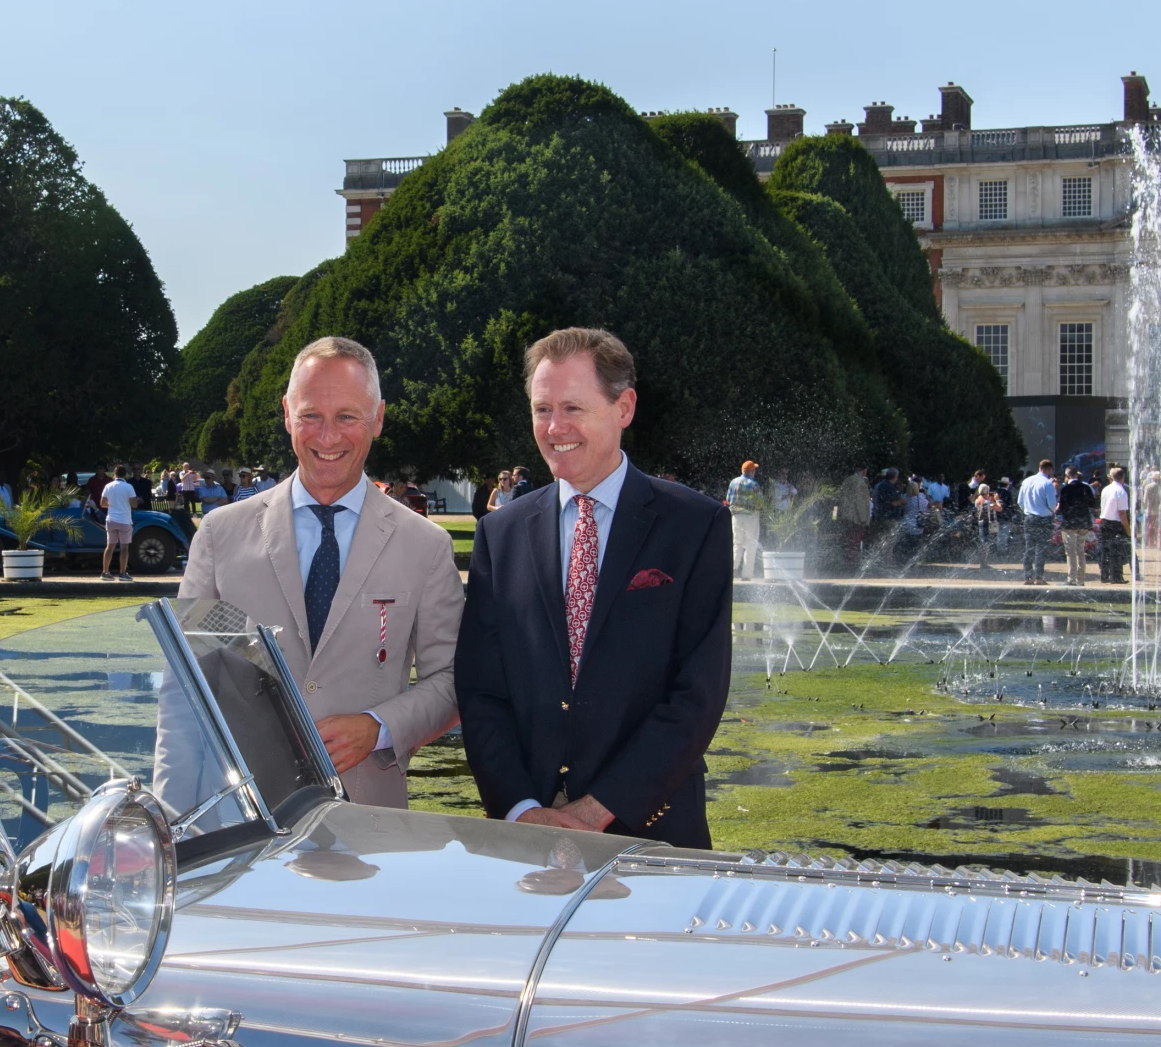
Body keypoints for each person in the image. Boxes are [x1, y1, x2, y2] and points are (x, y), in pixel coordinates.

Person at [457, 327, 730, 847]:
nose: (554, 427)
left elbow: (698, 695)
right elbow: (481, 690)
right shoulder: (502, 533)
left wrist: (598, 809)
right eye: (542, 409)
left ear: (623, 407)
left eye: (573, 408)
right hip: (525, 840)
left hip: (652, 833)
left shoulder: (695, 526)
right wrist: (519, 809)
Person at [178, 337, 464, 809]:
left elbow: (452, 680)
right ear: (288, 413)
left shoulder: (425, 546)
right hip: (237, 817)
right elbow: (186, 683)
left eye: (347, 417)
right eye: (311, 415)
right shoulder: (220, 535)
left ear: (378, 418)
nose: (327, 437)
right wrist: (171, 823)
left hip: (368, 821)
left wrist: (380, 727)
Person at [1015, 458, 1061, 584]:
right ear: (1049, 469)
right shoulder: (1047, 483)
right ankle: (1039, 577)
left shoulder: (1026, 481)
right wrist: (1053, 510)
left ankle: (1027, 577)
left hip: (1029, 518)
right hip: (1044, 519)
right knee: (1041, 548)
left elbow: (1020, 502)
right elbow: (1052, 503)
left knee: (1029, 547)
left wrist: (1027, 510)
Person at [726, 461, 765, 581]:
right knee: (750, 545)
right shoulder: (754, 484)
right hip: (751, 517)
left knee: (737, 544)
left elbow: (728, 499)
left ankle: (731, 571)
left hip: (736, 517)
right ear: (752, 471)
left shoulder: (734, 482)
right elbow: (760, 502)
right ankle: (747, 574)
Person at [98, 467, 138, 583]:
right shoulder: (129, 487)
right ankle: (122, 573)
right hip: (124, 520)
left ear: (114, 474)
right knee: (124, 547)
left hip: (111, 519)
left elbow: (102, 503)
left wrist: (112, 504)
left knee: (110, 546)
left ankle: (105, 572)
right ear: (124, 475)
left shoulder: (108, 486)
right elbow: (134, 504)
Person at [1094, 466, 1131, 583]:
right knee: (1116, 551)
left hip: (1104, 521)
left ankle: (1104, 575)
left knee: (1104, 550)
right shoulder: (1121, 491)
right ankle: (1116, 576)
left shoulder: (1106, 489)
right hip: (1115, 523)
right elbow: (1122, 514)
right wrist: (1128, 530)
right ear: (1123, 477)